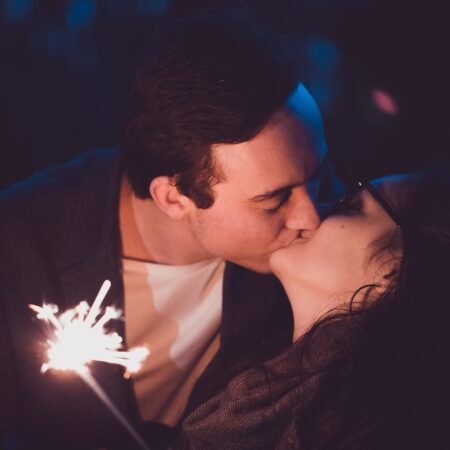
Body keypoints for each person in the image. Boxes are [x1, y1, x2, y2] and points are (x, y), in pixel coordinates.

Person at [0, 14, 342, 450]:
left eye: (317, 174)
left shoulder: (324, 210)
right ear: (175, 198)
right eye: (274, 201)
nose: (312, 218)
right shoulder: (18, 248)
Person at [180, 168, 450, 449]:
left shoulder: (378, 432)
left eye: (352, 205)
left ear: (396, 270)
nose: (313, 214)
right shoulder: (248, 366)